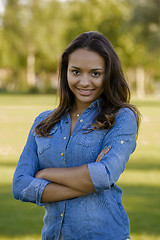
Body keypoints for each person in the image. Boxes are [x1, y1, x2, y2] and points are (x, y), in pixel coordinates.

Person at [12, 31, 140, 240]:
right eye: (76, 72)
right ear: (65, 72)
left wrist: (45, 174)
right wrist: (86, 183)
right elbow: (20, 186)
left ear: (109, 74)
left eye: (95, 73)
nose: (84, 82)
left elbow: (104, 175)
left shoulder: (121, 118)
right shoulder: (43, 122)